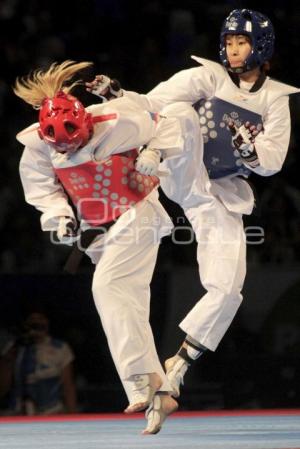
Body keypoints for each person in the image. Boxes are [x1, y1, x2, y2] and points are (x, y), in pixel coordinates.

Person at [86, 9, 300, 405]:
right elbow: (154, 104)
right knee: (181, 113)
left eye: (243, 43)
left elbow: (272, 161)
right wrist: (118, 95)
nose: (234, 50)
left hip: (217, 194)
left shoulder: (276, 98)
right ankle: (144, 151)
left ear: (262, 46)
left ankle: (180, 363)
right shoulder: (208, 76)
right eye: (231, 42)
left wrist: (249, 150)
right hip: (179, 168)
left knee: (228, 288)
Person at [12, 59, 207, 433]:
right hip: (98, 230)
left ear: (86, 122)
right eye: (61, 146)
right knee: (128, 304)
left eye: (75, 140)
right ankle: (160, 394)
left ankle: (138, 382)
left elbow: (166, 118)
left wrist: (154, 152)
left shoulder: (117, 120)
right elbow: (42, 191)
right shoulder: (36, 145)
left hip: (138, 212)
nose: (69, 150)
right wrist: (60, 219)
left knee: (107, 287)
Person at [0, 311, 77, 415]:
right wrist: (8, 360)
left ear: (47, 322)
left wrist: (72, 416)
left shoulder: (60, 348)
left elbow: (68, 386)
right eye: (32, 320)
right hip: (19, 413)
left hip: (52, 412)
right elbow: (3, 388)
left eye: (40, 319)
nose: (36, 323)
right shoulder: (15, 348)